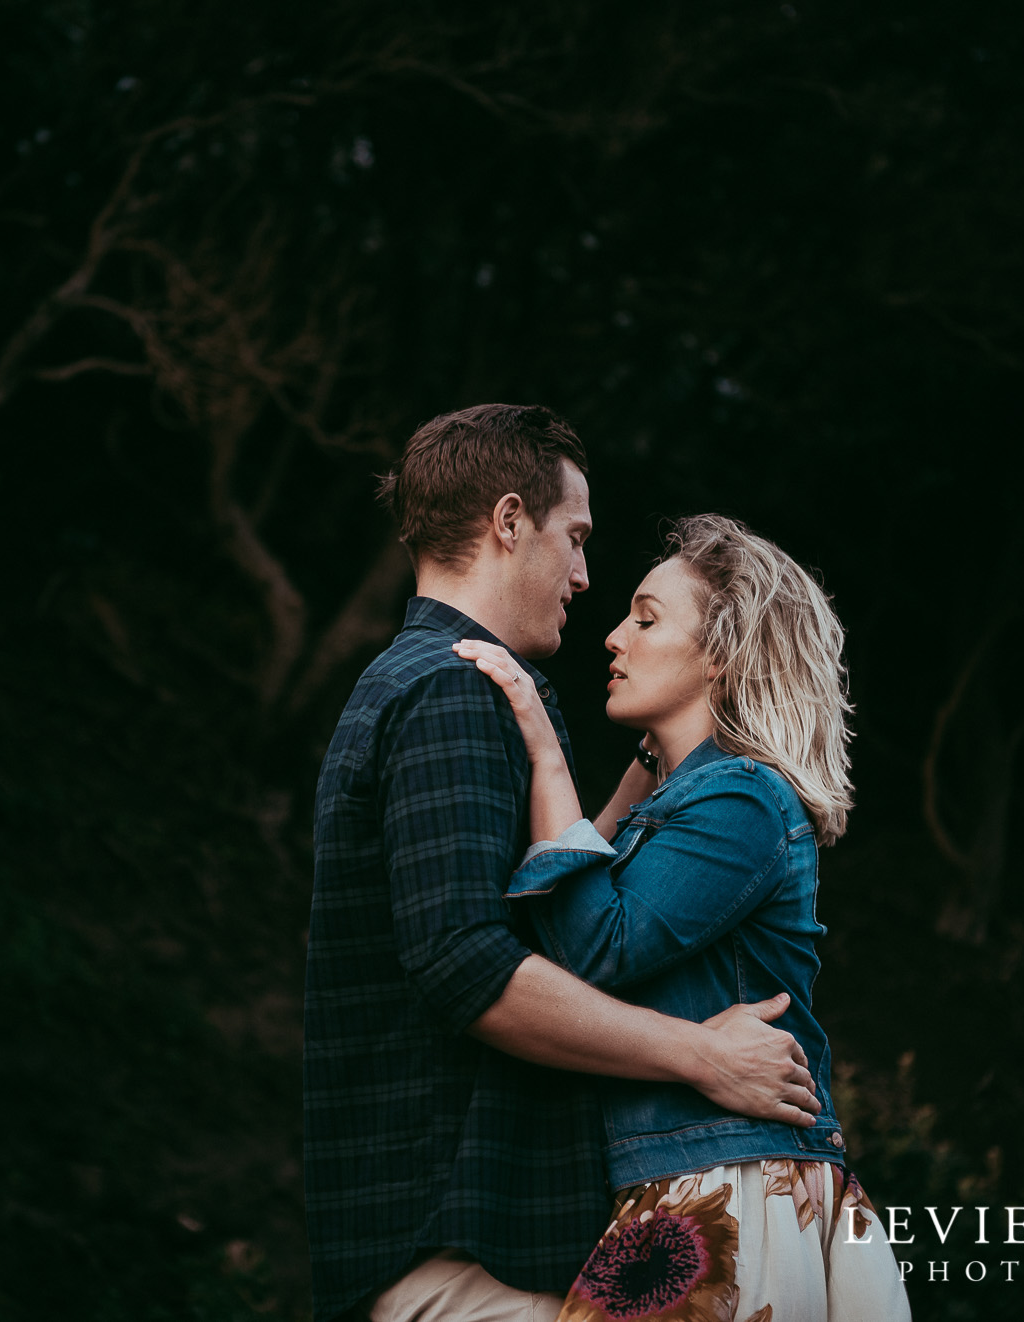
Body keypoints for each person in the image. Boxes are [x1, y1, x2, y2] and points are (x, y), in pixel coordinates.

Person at [305, 407, 824, 1322]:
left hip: (481, 1246)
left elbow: (558, 905)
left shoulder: (438, 683)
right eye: (575, 539)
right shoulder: (454, 689)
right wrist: (699, 1054)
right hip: (465, 1250)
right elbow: (467, 964)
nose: (585, 578)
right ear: (509, 522)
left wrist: (645, 769)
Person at [452, 513, 911, 1322]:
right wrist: (640, 767)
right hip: (691, 1174)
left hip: (728, 1182)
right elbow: (577, 899)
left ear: (723, 655)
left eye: (646, 617)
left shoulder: (742, 797)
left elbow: (595, 943)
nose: (614, 638)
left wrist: (544, 750)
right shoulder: (694, 799)